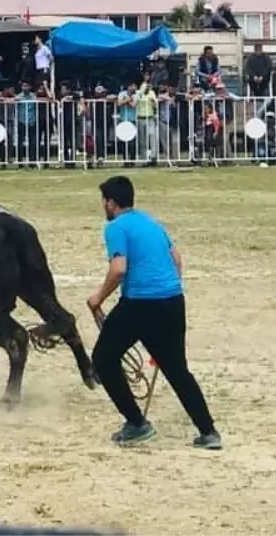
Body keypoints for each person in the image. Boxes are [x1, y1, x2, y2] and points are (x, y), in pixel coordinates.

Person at [86, 175, 221, 450]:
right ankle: (208, 431)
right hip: (172, 300)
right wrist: (168, 287)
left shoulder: (115, 227)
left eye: (103, 201)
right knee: (177, 370)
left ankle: (136, 424)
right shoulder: (151, 222)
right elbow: (177, 258)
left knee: (103, 359)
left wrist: (97, 298)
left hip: (139, 304)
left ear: (110, 203)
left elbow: (119, 268)